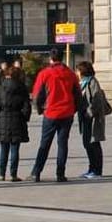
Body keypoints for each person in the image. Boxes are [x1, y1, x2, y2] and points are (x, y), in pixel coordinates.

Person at [29, 47, 81, 182]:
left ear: (50, 58)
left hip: (51, 112)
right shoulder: (71, 74)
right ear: (62, 57)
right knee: (63, 144)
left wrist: (40, 109)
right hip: (67, 112)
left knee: (45, 144)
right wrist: (73, 109)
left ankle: (36, 172)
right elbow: (78, 95)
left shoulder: (45, 74)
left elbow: (37, 95)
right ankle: (60, 173)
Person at [0, 58, 31, 181]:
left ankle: (1, 174)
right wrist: (24, 118)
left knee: (4, 149)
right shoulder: (22, 88)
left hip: (3, 118)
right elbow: (27, 107)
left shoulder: (1, 87)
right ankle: (13, 174)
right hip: (17, 119)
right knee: (15, 149)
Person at [76, 60, 112, 179]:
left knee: (94, 143)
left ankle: (97, 170)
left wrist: (90, 112)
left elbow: (96, 100)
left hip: (93, 118)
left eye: (78, 70)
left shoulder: (92, 82)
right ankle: (91, 168)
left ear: (83, 71)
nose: (77, 73)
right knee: (87, 143)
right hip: (85, 117)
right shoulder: (82, 83)